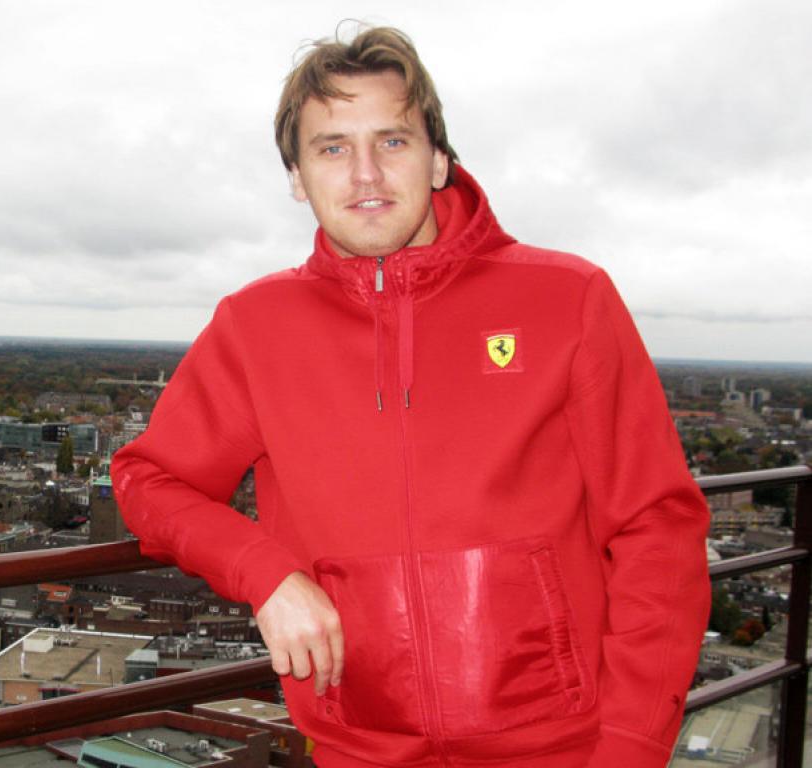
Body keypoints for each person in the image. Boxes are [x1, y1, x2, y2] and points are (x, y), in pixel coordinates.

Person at [111, 24, 710, 768]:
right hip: (357, 748)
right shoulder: (254, 326)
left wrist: (629, 749)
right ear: (296, 176)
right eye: (333, 148)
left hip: (563, 748)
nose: (366, 173)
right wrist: (266, 575)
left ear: (438, 159)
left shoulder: (568, 298)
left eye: (392, 141)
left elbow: (658, 529)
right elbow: (147, 480)